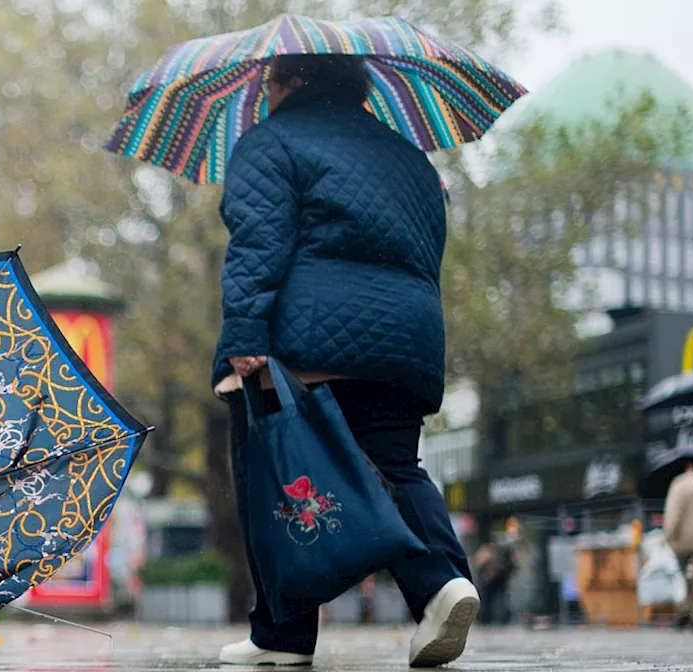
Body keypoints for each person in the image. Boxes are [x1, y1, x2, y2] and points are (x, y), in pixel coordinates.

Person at [213, 53, 478, 668]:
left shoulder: (270, 142)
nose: (263, 92)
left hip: (309, 342)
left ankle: (280, 637)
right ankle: (444, 584)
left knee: (272, 468)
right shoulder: (411, 158)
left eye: (268, 81)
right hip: (407, 340)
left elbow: (259, 239)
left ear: (293, 82)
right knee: (394, 466)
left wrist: (245, 331)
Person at [663, 460, 693, 629]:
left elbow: (673, 514)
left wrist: (667, 536)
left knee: (682, 578)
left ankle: (685, 613)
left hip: (682, 542)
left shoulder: (679, 484)